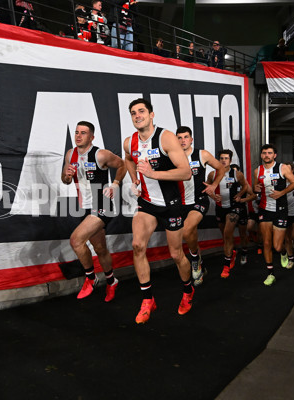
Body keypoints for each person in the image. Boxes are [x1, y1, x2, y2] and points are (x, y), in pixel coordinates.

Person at [123, 99, 192, 323]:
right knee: (137, 245)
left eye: (141, 111)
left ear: (152, 114)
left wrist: (153, 175)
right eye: (133, 113)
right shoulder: (129, 142)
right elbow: (128, 158)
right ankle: (147, 300)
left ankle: (188, 290)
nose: (137, 116)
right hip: (147, 203)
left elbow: (186, 173)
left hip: (171, 203)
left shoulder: (166, 137)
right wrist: (134, 180)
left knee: (176, 254)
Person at [62, 121, 127, 302]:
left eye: (83, 133)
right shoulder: (70, 154)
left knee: (76, 240)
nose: (78, 136)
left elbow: (122, 165)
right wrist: (66, 176)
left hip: (102, 204)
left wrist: (115, 184)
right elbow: (65, 179)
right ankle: (111, 281)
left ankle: (90, 278)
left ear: (91, 137)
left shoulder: (100, 155)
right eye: (76, 132)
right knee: (100, 248)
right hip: (85, 207)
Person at [176, 126, 225, 286]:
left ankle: (195, 260)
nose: (183, 140)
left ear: (191, 139)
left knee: (187, 229)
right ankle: (199, 261)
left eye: (185, 137)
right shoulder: (172, 157)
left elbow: (221, 168)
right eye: (179, 138)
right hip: (180, 203)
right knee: (191, 234)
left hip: (199, 200)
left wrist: (213, 185)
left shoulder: (201, 154)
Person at [253, 144, 294, 286]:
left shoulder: (282, 168)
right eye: (264, 153)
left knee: (277, 246)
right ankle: (270, 273)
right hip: (264, 210)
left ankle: (283, 252)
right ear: (261, 155)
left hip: (280, 210)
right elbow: (255, 187)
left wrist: (282, 192)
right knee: (266, 242)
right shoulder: (257, 170)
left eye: (269, 153)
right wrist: (255, 188)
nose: (267, 155)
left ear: (275, 155)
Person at [207, 151, 253, 279]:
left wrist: (239, 195)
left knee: (228, 233)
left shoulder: (237, 174)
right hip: (220, 208)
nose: (223, 160)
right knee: (225, 236)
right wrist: (212, 195)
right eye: (221, 158)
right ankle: (232, 253)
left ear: (230, 160)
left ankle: (226, 265)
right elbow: (207, 187)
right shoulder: (213, 174)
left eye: (226, 158)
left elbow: (245, 186)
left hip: (234, 207)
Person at [231, 164, 255, 266]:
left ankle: (244, 252)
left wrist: (243, 200)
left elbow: (254, 196)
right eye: (232, 172)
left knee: (242, 233)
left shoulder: (244, 185)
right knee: (227, 233)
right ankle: (232, 252)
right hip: (229, 210)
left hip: (241, 210)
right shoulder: (225, 182)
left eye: (236, 172)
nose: (234, 174)